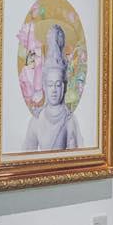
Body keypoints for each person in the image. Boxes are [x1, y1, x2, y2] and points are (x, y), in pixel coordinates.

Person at [23, 23, 82, 151]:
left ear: (64, 86)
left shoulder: (70, 120)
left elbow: (77, 155)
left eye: (58, 84)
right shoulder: (36, 120)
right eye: (50, 85)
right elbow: (26, 154)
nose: (54, 90)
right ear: (44, 86)